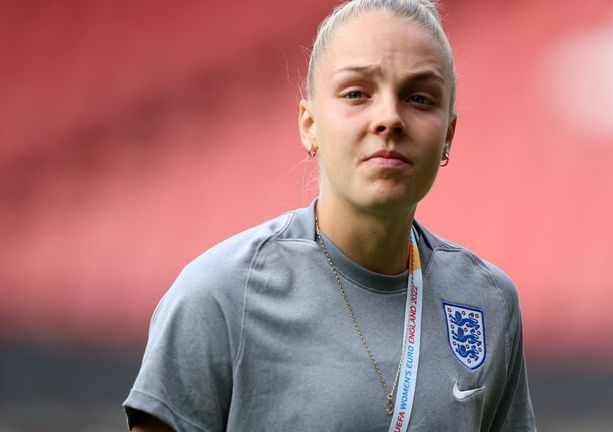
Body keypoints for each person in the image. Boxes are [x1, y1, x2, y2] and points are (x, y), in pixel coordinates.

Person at [123, 0, 536, 430]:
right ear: (309, 123)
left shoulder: (486, 301)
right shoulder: (220, 295)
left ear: (449, 133)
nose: (389, 119)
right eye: (357, 93)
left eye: (419, 97)